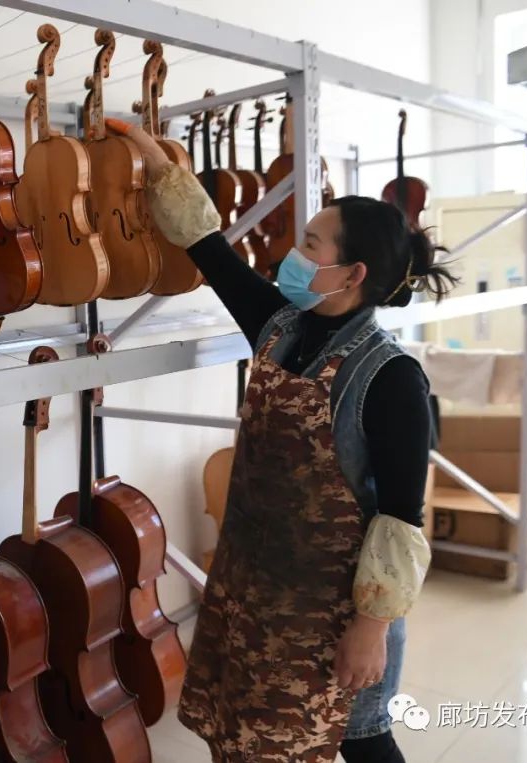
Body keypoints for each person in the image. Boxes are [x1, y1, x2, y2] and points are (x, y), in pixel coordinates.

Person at [108, 118, 456, 763]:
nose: (292, 255)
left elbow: (400, 517)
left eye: (311, 244)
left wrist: (371, 627)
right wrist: (157, 164)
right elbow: (208, 246)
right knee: (243, 736)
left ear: (351, 273)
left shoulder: (390, 377)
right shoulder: (280, 325)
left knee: (362, 742)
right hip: (251, 589)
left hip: (332, 610)